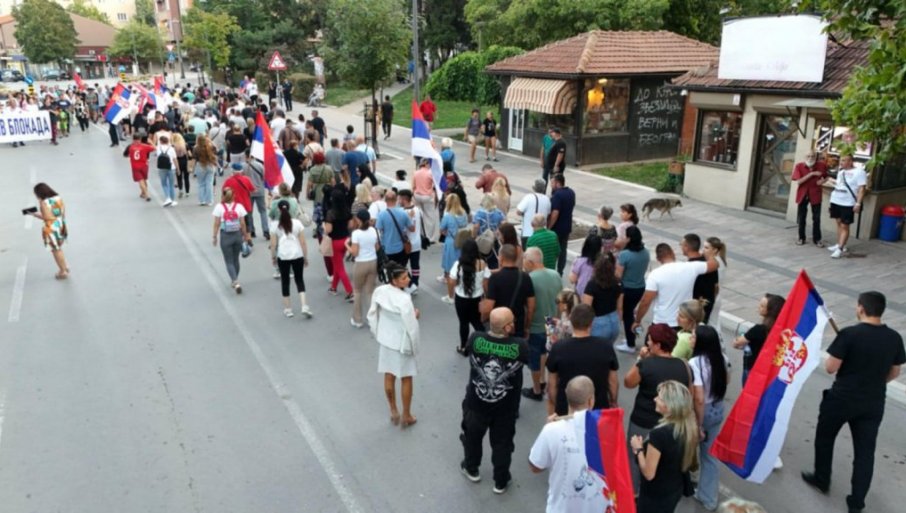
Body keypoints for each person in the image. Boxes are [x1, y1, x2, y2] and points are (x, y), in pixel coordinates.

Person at [802, 291, 905, 513]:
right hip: (873, 402)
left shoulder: (849, 334)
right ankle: (856, 503)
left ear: (861, 308)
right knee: (865, 453)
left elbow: (831, 367)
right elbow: (895, 372)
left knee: (825, 438)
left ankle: (822, 479)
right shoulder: (894, 338)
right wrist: (876, 381)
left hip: (841, 399)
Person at [459, 306, 528, 494]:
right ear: (507, 327)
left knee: (472, 438)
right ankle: (501, 480)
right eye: (512, 322)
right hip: (505, 408)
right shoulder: (520, 346)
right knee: (502, 445)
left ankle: (471, 468)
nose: (514, 324)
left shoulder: (476, 338)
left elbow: (467, 351)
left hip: (476, 403)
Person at [623, 324, 691, 493]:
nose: (647, 343)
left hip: (643, 421)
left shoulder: (646, 365)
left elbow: (628, 382)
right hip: (671, 423)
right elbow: (688, 393)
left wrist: (640, 359)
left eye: (650, 341)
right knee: (664, 460)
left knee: (635, 456)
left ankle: (633, 492)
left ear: (658, 345)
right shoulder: (684, 366)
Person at [529, 376, 611, 512]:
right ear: (591, 400)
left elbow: (535, 466)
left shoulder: (551, 430)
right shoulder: (607, 432)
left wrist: (547, 429)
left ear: (567, 397)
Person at [630, 380, 699, 513]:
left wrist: (638, 449)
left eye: (660, 398)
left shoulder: (659, 435)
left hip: (654, 496)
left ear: (670, 406)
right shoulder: (687, 427)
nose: (655, 399)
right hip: (673, 490)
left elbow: (649, 474)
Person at [367, 262, 421, 428]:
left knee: (388, 375)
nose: (408, 279)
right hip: (402, 343)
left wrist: (377, 332)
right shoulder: (404, 299)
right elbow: (411, 326)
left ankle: (393, 410)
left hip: (386, 340)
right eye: (404, 278)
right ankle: (406, 415)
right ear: (394, 280)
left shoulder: (380, 291)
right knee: (406, 377)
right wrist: (415, 316)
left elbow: (372, 314)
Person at [545, 304, 619, 416]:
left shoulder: (558, 348)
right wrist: (613, 401)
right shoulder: (606, 346)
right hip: (597, 409)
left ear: (571, 320)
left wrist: (557, 405)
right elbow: (613, 381)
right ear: (591, 323)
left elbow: (552, 384)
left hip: (567, 408)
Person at [632, 243, 720, 331]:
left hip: (662, 323)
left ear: (658, 259)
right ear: (673, 253)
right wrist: (709, 255)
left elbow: (645, 302)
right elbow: (715, 264)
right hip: (684, 322)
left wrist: (637, 320)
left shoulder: (655, 274)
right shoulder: (690, 267)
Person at [690, 325, 729, 511]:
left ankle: (686, 483)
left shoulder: (695, 363)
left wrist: (698, 425)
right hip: (717, 407)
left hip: (702, 411)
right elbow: (727, 380)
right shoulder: (722, 358)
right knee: (710, 455)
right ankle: (708, 497)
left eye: (693, 336)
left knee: (688, 447)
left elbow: (698, 397)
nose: (690, 339)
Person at [521, 247, 563, 401]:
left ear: (530, 262)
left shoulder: (529, 279)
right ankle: (543, 380)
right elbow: (560, 301)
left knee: (534, 359)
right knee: (545, 352)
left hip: (536, 325)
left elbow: (529, 306)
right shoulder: (555, 274)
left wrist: (526, 326)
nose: (522, 262)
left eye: (524, 259)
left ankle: (537, 390)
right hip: (551, 322)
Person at [481, 244, 536, 340]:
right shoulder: (525, 277)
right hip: (517, 325)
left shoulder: (495, 278)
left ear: (501, 258)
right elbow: (531, 307)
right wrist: (527, 327)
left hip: (500, 326)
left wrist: (483, 320)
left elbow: (489, 306)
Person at [270, 200, 312, 318]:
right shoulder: (297, 223)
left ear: (278, 210)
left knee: (285, 281)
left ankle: (288, 309)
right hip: (297, 254)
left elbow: (273, 244)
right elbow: (303, 242)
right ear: (289, 209)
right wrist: (305, 257)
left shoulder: (275, 225)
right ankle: (304, 305)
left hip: (283, 256)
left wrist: (273, 257)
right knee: (299, 279)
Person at [449, 239, 491, 354]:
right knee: (477, 322)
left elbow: (451, 280)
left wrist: (451, 294)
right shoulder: (482, 264)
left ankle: (463, 347)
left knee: (463, 323)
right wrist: (486, 297)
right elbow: (486, 283)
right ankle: (485, 346)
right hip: (477, 298)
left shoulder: (458, 264)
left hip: (461, 299)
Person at [733, 293, 785, 384]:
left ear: (770, 311)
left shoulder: (758, 330)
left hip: (752, 368)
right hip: (770, 370)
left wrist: (737, 340)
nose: (758, 307)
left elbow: (737, 343)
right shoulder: (781, 329)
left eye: (762, 306)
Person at [615, 226, 650, 353]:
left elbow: (618, 275)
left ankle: (630, 344)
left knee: (628, 315)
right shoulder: (646, 252)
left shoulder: (625, 255)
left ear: (629, 238)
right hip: (640, 287)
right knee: (631, 313)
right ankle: (635, 335)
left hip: (627, 289)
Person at [212, 187, 251, 294]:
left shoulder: (219, 207)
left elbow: (217, 223)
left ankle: (235, 281)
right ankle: (235, 278)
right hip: (237, 235)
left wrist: (214, 236)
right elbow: (243, 223)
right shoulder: (239, 206)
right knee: (236, 259)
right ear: (234, 196)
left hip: (225, 236)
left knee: (228, 261)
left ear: (223, 195)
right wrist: (245, 236)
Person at [827, 154, 867, 259]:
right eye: (841, 160)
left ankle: (840, 249)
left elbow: (861, 189)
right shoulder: (841, 172)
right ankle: (840, 244)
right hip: (836, 200)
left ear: (850, 161)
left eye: (844, 160)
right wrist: (832, 181)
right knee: (838, 223)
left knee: (845, 225)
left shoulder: (859, 172)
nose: (841, 162)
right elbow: (840, 184)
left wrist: (858, 203)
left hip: (848, 203)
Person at [347, 209, 379, 328]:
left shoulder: (356, 233)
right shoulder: (373, 230)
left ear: (358, 220)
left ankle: (358, 319)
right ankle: (372, 319)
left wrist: (347, 245)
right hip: (373, 262)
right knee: (370, 292)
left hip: (360, 263)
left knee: (357, 291)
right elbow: (377, 247)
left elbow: (355, 253)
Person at [581, 253, 623, 343]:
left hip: (598, 323)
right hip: (614, 320)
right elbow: (620, 307)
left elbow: (586, 309)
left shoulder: (592, 284)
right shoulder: (618, 282)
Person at [31, 183, 69, 279]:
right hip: (61, 225)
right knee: (59, 249)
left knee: (56, 250)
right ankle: (65, 267)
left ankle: (62, 271)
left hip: (52, 229)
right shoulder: (58, 198)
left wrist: (36, 214)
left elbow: (47, 218)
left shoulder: (44, 203)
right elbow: (61, 213)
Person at [792, 151, 829, 246]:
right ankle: (801, 238)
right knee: (801, 217)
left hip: (815, 193)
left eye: (812, 156)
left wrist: (823, 181)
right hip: (803, 194)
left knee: (816, 218)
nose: (810, 158)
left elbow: (826, 177)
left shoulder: (821, 165)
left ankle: (817, 239)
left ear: (816, 157)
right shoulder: (799, 166)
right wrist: (812, 174)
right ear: (805, 157)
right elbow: (799, 181)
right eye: (808, 156)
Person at [324, 188, 354, 301]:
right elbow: (350, 226)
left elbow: (329, 230)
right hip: (345, 241)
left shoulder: (331, 213)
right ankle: (333, 287)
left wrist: (323, 227)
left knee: (340, 268)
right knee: (338, 265)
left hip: (335, 242)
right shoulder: (347, 211)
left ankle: (350, 292)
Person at [439, 194, 470, 291]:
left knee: (449, 260)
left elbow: (442, 229)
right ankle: (460, 276)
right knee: (460, 259)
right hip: (462, 240)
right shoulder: (463, 213)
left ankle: (448, 277)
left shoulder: (448, 216)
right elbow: (466, 224)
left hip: (451, 240)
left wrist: (446, 233)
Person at [375, 190, 413, 266]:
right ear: (396, 200)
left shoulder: (381, 215)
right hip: (400, 248)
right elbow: (411, 228)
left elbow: (378, 230)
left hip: (386, 248)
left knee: (389, 270)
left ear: (385, 201)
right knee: (400, 270)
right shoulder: (403, 213)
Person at [546, 174, 574, 274]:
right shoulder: (571, 192)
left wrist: (549, 227)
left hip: (557, 228)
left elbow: (555, 213)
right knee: (563, 250)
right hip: (567, 227)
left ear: (558, 183)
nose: (551, 185)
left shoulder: (557, 195)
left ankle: (552, 272)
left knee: (553, 251)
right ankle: (560, 271)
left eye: (552, 183)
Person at [516, 179, 552, 246]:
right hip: (542, 234)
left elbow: (518, 211)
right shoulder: (547, 199)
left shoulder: (528, 197)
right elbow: (548, 213)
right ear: (544, 189)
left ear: (534, 188)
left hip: (528, 233)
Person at [703, 236, 728, 328]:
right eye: (704, 247)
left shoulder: (715, 264)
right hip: (716, 296)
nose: (703, 250)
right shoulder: (719, 261)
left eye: (706, 248)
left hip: (713, 296)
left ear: (714, 250)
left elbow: (714, 284)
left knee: (711, 323)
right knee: (714, 321)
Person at [412, 160, 438, 243]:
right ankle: (429, 237)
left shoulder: (416, 173)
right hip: (427, 196)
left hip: (417, 195)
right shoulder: (430, 173)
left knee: (419, 216)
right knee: (429, 217)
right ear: (426, 164)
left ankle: (421, 234)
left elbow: (413, 186)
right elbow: (436, 185)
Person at [124, 133, 155, 202]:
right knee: (144, 180)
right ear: (140, 139)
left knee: (140, 181)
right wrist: (151, 142)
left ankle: (147, 195)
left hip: (135, 166)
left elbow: (125, 155)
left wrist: (131, 155)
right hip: (144, 166)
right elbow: (154, 148)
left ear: (133, 139)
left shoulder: (130, 146)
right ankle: (143, 193)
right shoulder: (144, 146)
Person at [244, 158, 270, 240]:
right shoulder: (260, 165)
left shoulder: (244, 166)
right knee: (263, 211)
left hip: (249, 192)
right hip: (260, 191)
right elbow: (265, 177)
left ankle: (251, 230)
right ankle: (266, 230)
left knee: (249, 212)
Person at [193, 135, 218, 206]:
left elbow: (194, 158)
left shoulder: (196, 148)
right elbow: (216, 151)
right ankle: (209, 201)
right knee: (209, 184)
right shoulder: (210, 147)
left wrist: (192, 168)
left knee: (201, 184)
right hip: (210, 165)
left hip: (200, 165)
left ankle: (202, 200)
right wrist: (210, 142)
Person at [155, 135, 179, 207]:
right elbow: (175, 159)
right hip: (171, 167)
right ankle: (172, 200)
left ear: (160, 141)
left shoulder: (158, 148)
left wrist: (157, 167)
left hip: (162, 168)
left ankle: (167, 198)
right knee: (171, 184)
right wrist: (178, 168)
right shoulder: (171, 148)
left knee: (164, 184)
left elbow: (158, 158)